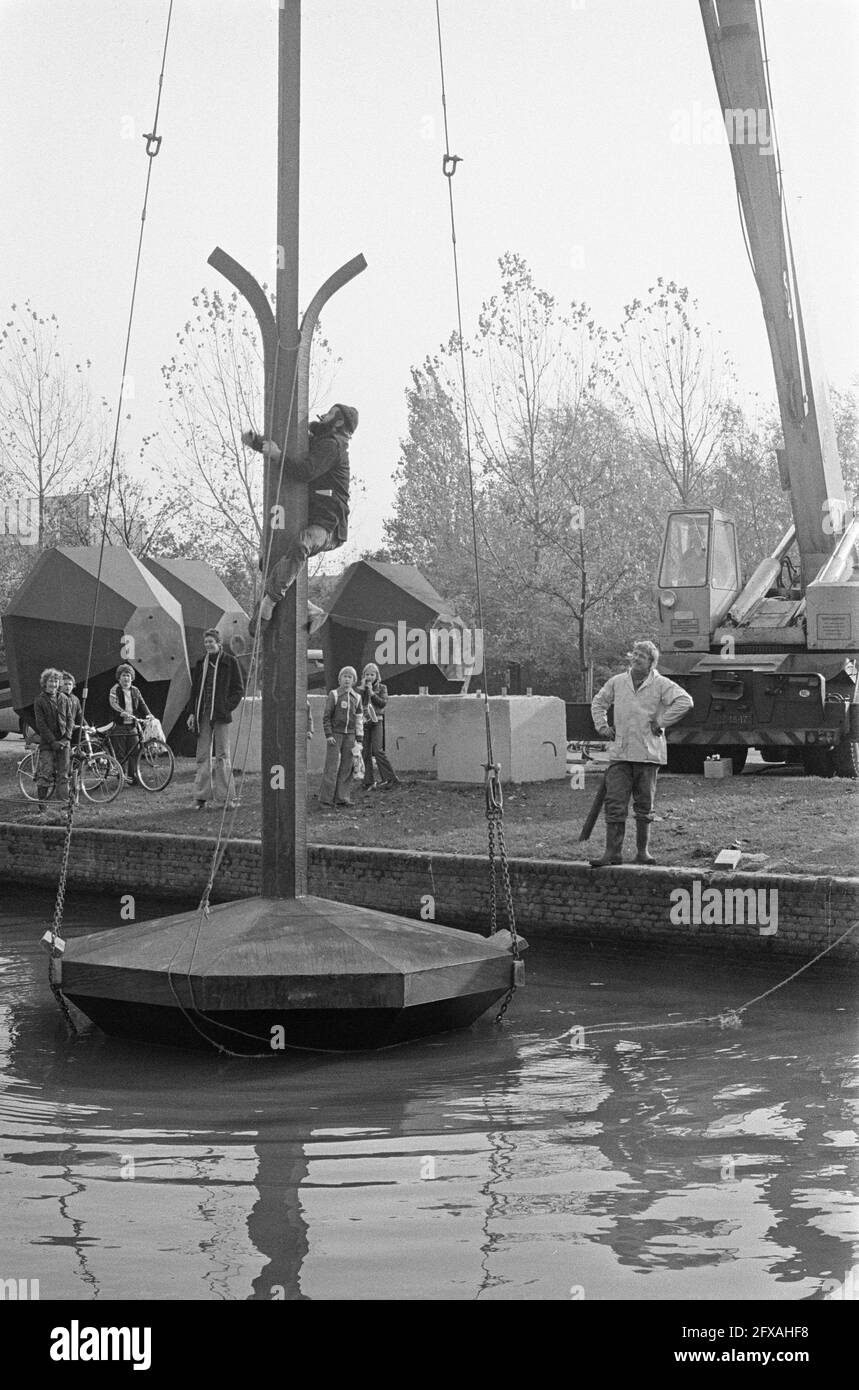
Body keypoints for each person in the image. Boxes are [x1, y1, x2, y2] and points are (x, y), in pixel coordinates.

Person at [242, 403, 358, 635]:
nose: (324, 413)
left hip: (329, 526)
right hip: (312, 519)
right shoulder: (317, 438)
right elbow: (288, 445)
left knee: (301, 544)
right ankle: (309, 610)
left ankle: (270, 603)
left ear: (339, 422)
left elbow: (304, 471)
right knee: (272, 562)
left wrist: (276, 455)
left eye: (331, 413)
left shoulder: (332, 447)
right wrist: (256, 442)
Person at [589, 639, 693, 866]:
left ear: (651, 662)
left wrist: (662, 722)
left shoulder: (661, 684)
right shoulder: (618, 681)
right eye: (634, 654)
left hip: (647, 754)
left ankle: (642, 852)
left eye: (642, 656)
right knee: (615, 803)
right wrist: (602, 727)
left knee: (644, 807)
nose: (636, 659)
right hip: (620, 753)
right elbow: (598, 702)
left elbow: (685, 701)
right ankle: (612, 853)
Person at [185, 629, 245, 810]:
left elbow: (238, 690)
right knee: (203, 755)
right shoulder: (201, 663)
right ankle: (200, 797)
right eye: (206, 642)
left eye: (211, 641)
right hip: (203, 714)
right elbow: (194, 691)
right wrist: (191, 713)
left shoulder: (230, 662)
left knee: (222, 755)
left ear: (219, 643)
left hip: (220, 715)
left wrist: (226, 707)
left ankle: (227, 798)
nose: (208, 645)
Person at [320, 666, 364, 807]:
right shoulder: (334, 694)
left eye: (350, 677)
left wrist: (359, 739)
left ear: (354, 680)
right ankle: (326, 799)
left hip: (350, 736)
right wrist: (329, 734)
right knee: (331, 766)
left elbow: (359, 719)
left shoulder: (357, 698)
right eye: (344, 676)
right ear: (340, 679)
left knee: (347, 766)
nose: (347, 679)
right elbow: (326, 717)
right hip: (335, 735)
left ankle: (342, 797)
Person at [33, 667, 73, 812]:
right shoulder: (39, 701)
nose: (54, 684)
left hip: (64, 742)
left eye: (56, 681)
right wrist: (52, 741)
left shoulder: (64, 698)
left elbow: (70, 719)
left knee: (64, 773)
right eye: (51, 681)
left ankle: (64, 804)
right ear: (45, 683)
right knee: (46, 772)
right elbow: (41, 724)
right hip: (48, 744)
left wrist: (66, 737)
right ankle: (42, 805)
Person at [357, 662, 400, 791]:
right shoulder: (360, 689)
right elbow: (357, 703)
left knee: (377, 750)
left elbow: (382, 703)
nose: (369, 677)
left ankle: (390, 778)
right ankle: (368, 781)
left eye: (372, 674)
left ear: (377, 675)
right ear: (363, 676)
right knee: (365, 751)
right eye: (367, 674)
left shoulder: (382, 688)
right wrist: (363, 690)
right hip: (364, 722)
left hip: (377, 721)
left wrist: (372, 694)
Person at [109, 664, 152, 785]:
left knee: (135, 752)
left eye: (128, 675)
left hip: (132, 726)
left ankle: (132, 777)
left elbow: (142, 704)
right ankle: (121, 778)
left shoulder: (135, 690)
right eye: (123, 675)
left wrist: (149, 714)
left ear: (132, 677)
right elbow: (113, 703)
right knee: (121, 754)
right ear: (119, 677)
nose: (126, 678)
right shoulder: (115, 689)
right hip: (119, 726)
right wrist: (121, 712)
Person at [60, 672, 84, 741]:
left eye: (70, 684)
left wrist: (87, 726)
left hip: (73, 731)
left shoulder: (75, 699)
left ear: (73, 685)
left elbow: (80, 715)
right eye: (65, 684)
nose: (68, 687)